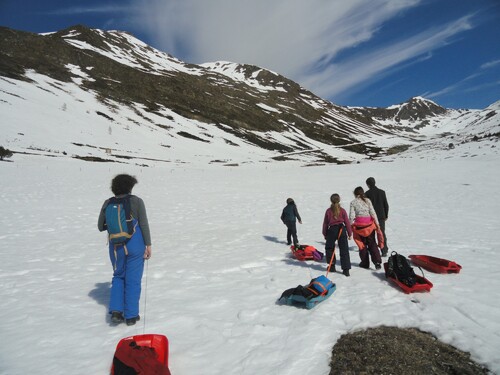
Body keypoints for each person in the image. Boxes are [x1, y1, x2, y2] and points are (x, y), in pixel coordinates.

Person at [98, 174, 152, 326]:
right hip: (135, 245)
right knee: (133, 280)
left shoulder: (107, 203)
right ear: (129, 187)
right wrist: (148, 245)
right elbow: (144, 224)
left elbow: (100, 226)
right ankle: (131, 316)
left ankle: (116, 311)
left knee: (118, 276)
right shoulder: (137, 201)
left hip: (116, 247)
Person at [349, 186, 383, 270]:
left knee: (362, 245)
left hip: (359, 227)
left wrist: (350, 226)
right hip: (369, 226)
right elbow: (373, 212)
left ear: (355, 194)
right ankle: (377, 262)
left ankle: (365, 263)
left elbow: (351, 216)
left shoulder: (353, 202)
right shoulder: (368, 201)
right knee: (372, 244)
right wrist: (377, 224)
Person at [322, 194, 352, 276]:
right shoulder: (342, 210)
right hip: (341, 230)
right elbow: (347, 222)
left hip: (332, 230)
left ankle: (332, 265)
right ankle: (346, 269)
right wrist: (349, 233)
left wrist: (325, 233)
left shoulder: (328, 211)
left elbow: (325, 223)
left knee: (329, 248)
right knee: (344, 249)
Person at [365, 177, 389, 256]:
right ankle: (384, 250)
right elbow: (386, 205)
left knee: (371, 235)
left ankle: (373, 250)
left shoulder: (367, 193)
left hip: (371, 217)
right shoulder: (382, 192)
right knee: (381, 233)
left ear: (368, 185)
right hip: (381, 216)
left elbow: (366, 207)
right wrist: (386, 215)